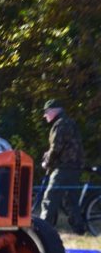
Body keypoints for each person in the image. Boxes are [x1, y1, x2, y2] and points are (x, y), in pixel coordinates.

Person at [40, 99, 85, 234]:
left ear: (54, 111)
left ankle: (43, 230)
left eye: (47, 112)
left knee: (50, 197)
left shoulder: (60, 125)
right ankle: (80, 230)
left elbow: (56, 148)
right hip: (75, 167)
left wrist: (46, 162)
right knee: (71, 200)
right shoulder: (70, 123)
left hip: (64, 167)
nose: (45, 115)